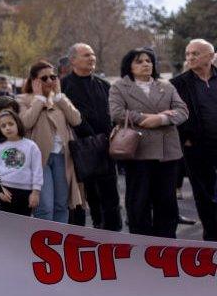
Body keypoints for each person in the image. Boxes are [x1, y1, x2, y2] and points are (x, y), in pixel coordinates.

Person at [109, 48, 188, 238]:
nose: (146, 64)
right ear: (129, 66)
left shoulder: (166, 86)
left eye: (149, 61)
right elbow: (117, 113)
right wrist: (146, 118)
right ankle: (140, 244)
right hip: (138, 152)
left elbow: (183, 111)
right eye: (139, 61)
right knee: (139, 202)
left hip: (167, 153)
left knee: (167, 202)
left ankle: (166, 244)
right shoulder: (119, 87)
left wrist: (161, 120)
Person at [60, 43, 122, 231]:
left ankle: (115, 232)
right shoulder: (64, 86)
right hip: (81, 147)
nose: (92, 58)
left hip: (106, 144)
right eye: (86, 55)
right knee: (91, 193)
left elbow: (113, 112)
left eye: (93, 54)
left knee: (111, 192)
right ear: (73, 61)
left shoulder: (104, 85)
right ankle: (98, 229)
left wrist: (113, 131)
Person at [18, 60, 83, 223]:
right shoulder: (23, 99)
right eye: (44, 78)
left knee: (61, 204)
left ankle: (59, 241)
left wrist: (60, 96)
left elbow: (76, 120)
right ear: (34, 80)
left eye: (53, 77)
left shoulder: (60, 99)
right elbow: (25, 123)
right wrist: (39, 98)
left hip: (62, 156)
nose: (49, 81)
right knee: (45, 206)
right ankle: (42, 243)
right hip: (39, 160)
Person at [170, 39, 217, 240]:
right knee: (203, 194)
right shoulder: (178, 83)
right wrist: (186, 137)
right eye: (188, 54)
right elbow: (174, 114)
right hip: (196, 147)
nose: (190, 58)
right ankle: (211, 236)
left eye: (195, 54)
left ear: (210, 56)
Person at [0, 110, 42, 216]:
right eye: (3, 126)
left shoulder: (31, 146)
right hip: (5, 191)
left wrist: (35, 193)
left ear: (18, 123)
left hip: (26, 192)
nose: (7, 128)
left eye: (10, 124)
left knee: (23, 226)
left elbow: (37, 171)